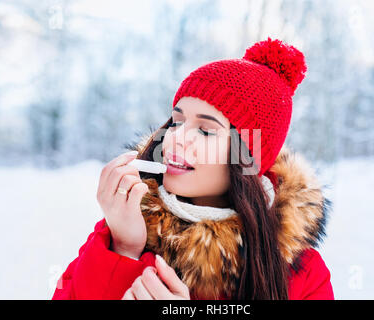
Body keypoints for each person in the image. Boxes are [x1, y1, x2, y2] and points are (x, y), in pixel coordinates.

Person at [52, 37, 334, 300]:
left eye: (206, 130)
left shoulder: (301, 272)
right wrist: (123, 251)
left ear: (246, 158)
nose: (175, 137)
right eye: (176, 122)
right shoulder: (124, 228)